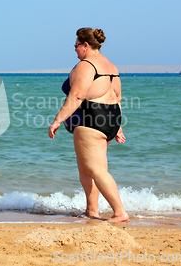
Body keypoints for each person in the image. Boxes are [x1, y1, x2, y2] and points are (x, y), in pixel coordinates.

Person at [48, 27, 129, 223]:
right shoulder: (111, 67)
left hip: (90, 119)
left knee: (96, 169)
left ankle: (120, 212)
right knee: (86, 169)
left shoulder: (86, 65)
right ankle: (92, 211)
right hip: (110, 118)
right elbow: (116, 98)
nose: (74, 50)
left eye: (76, 46)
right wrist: (117, 126)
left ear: (86, 45)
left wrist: (57, 120)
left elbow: (77, 96)